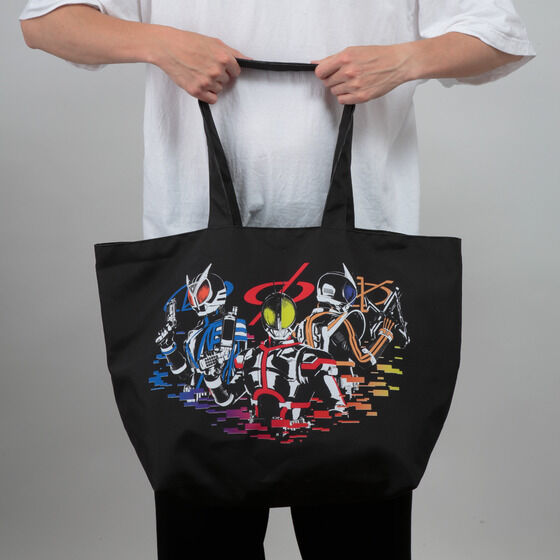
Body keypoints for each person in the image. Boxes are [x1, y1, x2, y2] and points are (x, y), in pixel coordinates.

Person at [18, 1, 536, 559]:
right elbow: (45, 20)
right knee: (207, 537)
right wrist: (160, 44)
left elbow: (499, 35)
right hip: (197, 261)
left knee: (360, 532)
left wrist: (405, 60)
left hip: (362, 249)